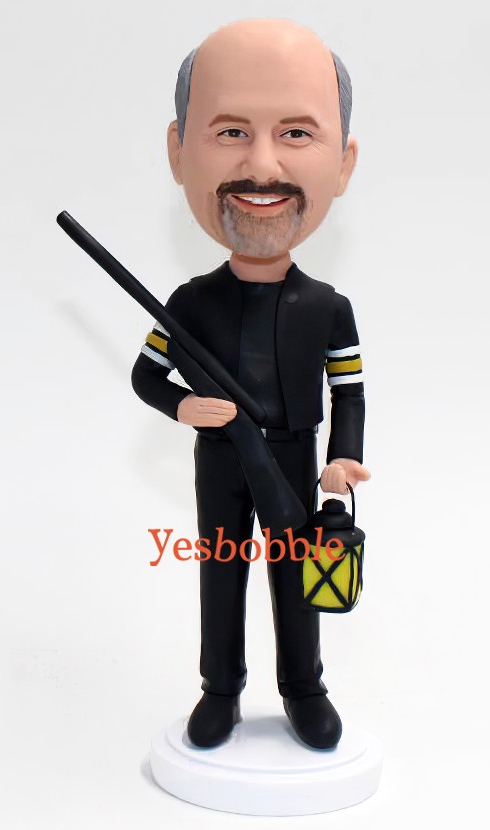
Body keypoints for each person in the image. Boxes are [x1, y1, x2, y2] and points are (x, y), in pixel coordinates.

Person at [131, 18, 371, 750]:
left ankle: (304, 687)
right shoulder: (189, 303)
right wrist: (184, 406)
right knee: (220, 575)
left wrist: (343, 456)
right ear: (179, 153)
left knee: (299, 582)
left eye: (296, 133)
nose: (262, 164)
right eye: (231, 132)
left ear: (343, 164)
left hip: (294, 458)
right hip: (221, 462)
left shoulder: (328, 306)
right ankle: (220, 688)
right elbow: (146, 374)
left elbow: (349, 389)